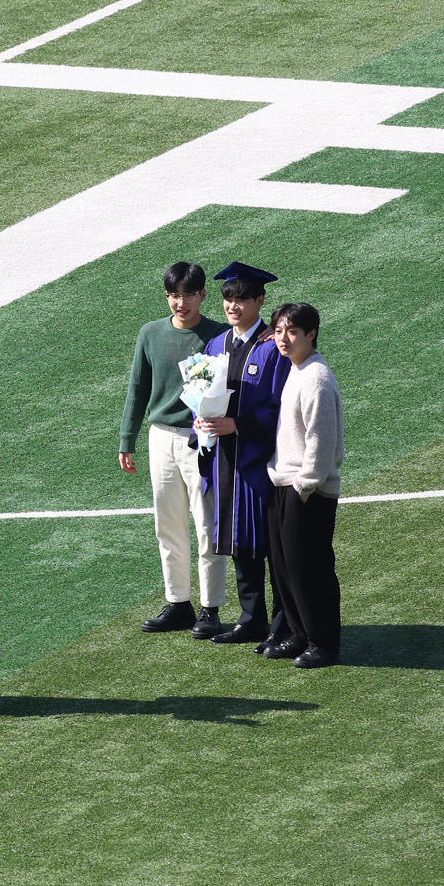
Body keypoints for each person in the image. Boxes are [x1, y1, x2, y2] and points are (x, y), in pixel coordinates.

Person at [119, 261, 230, 637]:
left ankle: (210, 608)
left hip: (203, 439)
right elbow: (137, 389)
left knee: (206, 525)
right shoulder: (150, 334)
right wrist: (126, 440)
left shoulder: (219, 335)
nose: (180, 303)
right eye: (173, 295)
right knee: (167, 524)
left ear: (202, 294)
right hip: (160, 438)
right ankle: (178, 603)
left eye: (187, 295)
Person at [194, 262, 291, 647]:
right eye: (228, 299)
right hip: (224, 461)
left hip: (261, 462)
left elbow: (282, 406)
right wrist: (198, 425)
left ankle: (284, 627)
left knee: (272, 549)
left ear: (259, 301)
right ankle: (251, 619)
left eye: (241, 299)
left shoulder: (273, 348)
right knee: (238, 543)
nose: (233, 306)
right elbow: (197, 398)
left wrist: (241, 426)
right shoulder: (214, 346)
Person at [264, 302, 343, 668]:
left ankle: (323, 643)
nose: (283, 338)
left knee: (309, 569)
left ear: (311, 335)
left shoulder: (316, 377)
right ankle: (298, 636)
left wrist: (306, 483)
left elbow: (321, 439)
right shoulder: (297, 369)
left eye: (292, 332)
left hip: (306, 489)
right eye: (279, 331)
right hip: (285, 484)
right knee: (285, 567)